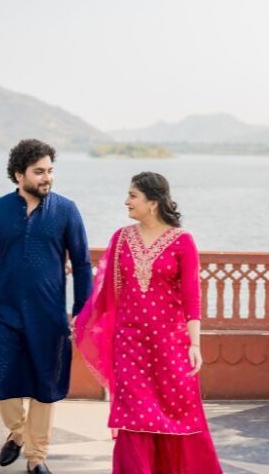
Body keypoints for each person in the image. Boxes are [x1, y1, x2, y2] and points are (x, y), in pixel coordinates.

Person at [75, 171, 223, 474]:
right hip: (129, 343)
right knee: (134, 417)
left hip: (170, 344)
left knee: (177, 412)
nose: (126, 201)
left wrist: (195, 344)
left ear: (152, 202)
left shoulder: (183, 241)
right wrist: (82, 321)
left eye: (133, 195)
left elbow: (192, 298)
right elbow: (106, 292)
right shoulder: (121, 239)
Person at [0, 139, 93, 474]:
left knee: (45, 386)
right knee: (1, 378)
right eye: (39, 172)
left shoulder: (66, 210)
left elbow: (81, 263)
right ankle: (19, 432)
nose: (47, 177)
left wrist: (83, 309)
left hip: (49, 316)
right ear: (19, 174)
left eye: (50, 170)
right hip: (5, 313)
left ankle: (37, 456)